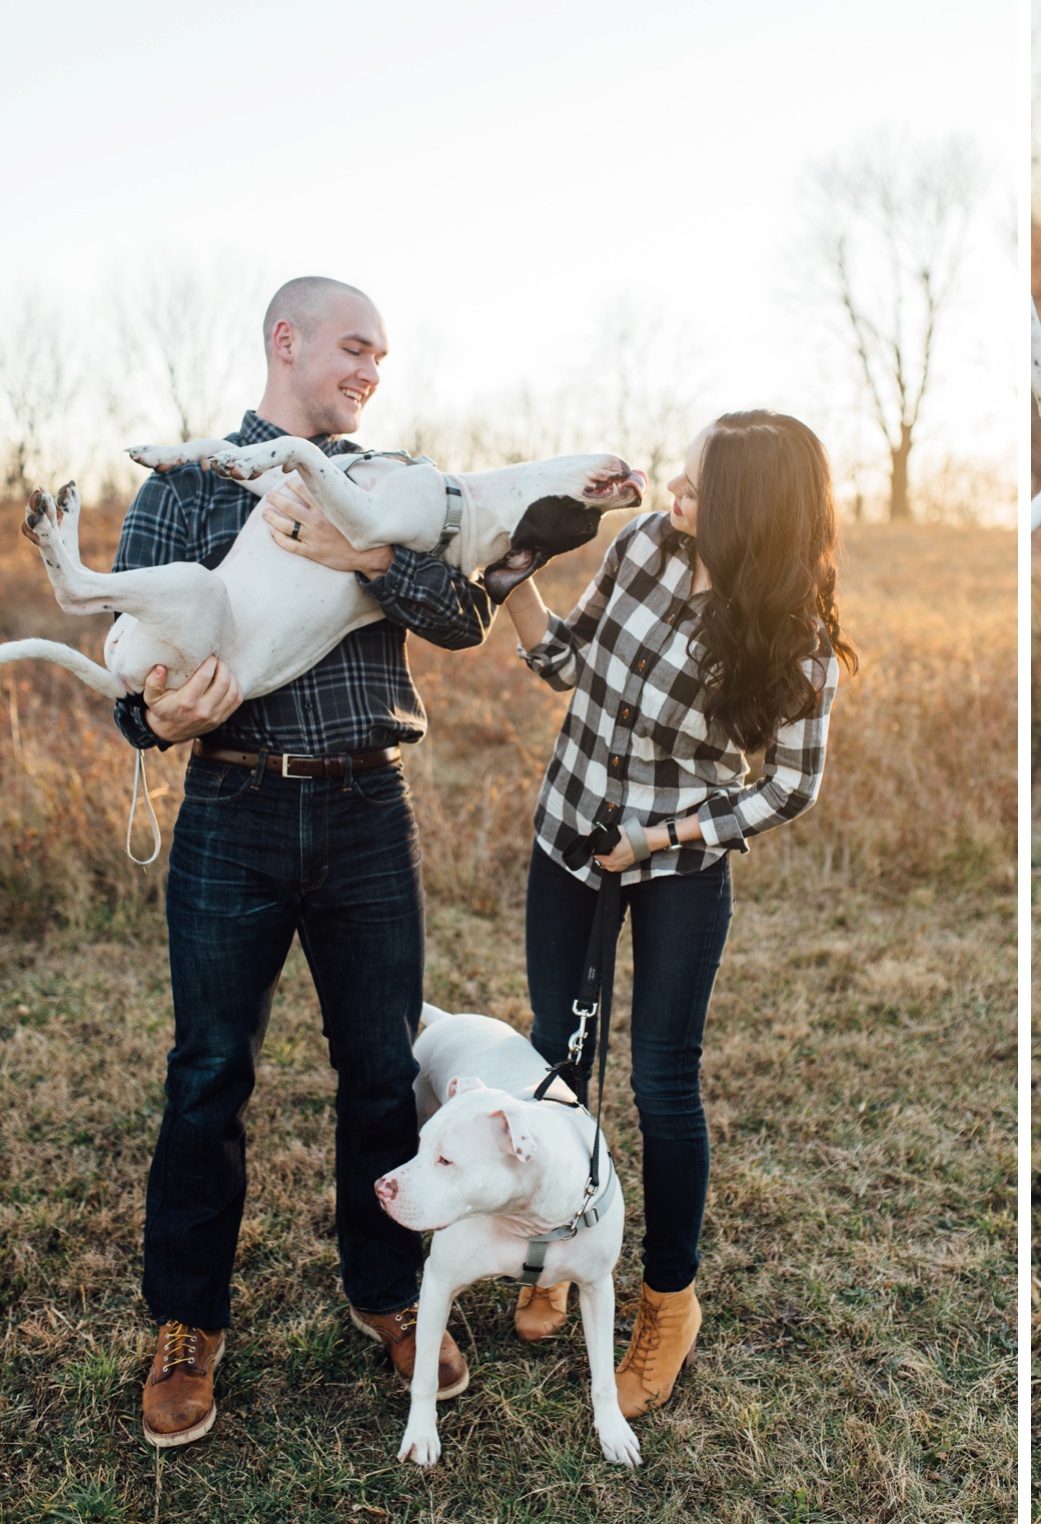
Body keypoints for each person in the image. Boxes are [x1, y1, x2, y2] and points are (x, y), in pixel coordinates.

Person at [124, 276, 493, 1447]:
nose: (370, 372)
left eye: (381, 357)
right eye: (352, 348)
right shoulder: (182, 487)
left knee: (382, 1073)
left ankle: (388, 1293)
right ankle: (187, 1325)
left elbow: (464, 615)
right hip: (229, 811)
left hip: (366, 817)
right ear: (284, 342)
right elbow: (128, 682)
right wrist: (160, 724)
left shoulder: (385, 479)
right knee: (207, 1074)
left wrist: (364, 552)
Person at [500, 408, 852, 1418]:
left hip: (676, 867)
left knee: (660, 1081)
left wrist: (661, 839)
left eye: (695, 487)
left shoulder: (798, 636)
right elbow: (569, 663)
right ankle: (558, 1247)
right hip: (569, 832)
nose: (671, 496)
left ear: (746, 514)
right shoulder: (646, 545)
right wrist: (512, 580)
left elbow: (789, 788)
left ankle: (667, 1299)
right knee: (560, 1059)